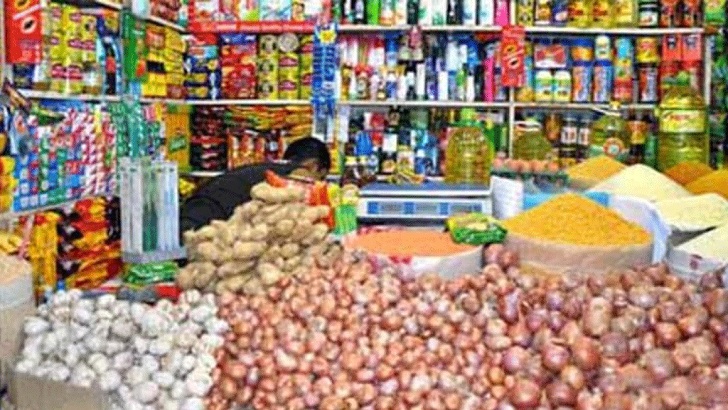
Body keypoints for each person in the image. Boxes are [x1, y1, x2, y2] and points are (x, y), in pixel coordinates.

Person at [179, 137, 331, 236]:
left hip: (195, 210)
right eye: (321, 177)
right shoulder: (297, 175)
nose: (315, 185)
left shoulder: (266, 169)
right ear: (313, 166)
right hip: (206, 222)